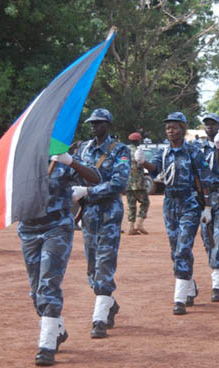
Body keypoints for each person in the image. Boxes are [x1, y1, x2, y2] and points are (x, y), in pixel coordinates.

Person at [18, 151, 100, 366]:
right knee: (35, 290)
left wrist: (70, 161)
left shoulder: (60, 160)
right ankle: (57, 329)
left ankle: (46, 345)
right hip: (28, 229)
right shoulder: (20, 159)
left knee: (48, 285)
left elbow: (95, 178)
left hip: (56, 227)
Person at [136, 112, 211, 315]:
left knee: (183, 247)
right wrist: (144, 163)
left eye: (174, 127)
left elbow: (205, 178)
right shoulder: (165, 152)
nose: (170, 131)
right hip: (170, 202)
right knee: (175, 248)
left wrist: (208, 206)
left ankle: (179, 298)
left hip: (189, 202)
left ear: (183, 129)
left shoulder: (193, 151)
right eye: (168, 128)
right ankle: (189, 284)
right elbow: (156, 170)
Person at [76, 108, 131, 338]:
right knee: (91, 267)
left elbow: (119, 183)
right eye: (91, 123)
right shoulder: (84, 149)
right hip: (88, 216)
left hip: (109, 215)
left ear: (108, 125)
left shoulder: (120, 150)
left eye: (98, 123)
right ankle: (109, 302)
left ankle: (99, 319)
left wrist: (88, 191)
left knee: (105, 263)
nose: (93, 126)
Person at [197, 113, 219, 302]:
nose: (209, 127)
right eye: (207, 124)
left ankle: (217, 283)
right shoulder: (198, 148)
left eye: (213, 124)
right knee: (207, 238)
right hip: (203, 197)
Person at [126, 132, 150, 235]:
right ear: (138, 141)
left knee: (131, 204)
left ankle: (131, 227)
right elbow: (141, 163)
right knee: (145, 202)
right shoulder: (138, 151)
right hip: (138, 182)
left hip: (127, 182)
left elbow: (122, 165)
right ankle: (139, 224)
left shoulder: (124, 151)